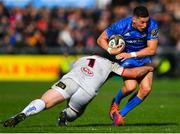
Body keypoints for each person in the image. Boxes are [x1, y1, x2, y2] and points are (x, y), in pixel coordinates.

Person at [2, 55, 153, 127]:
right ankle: (65, 115)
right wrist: (149, 67)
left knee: (45, 101)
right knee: (75, 112)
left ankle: (22, 114)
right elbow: (133, 74)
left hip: (71, 80)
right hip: (87, 91)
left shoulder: (83, 57)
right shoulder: (112, 65)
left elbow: (69, 66)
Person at [97, 6, 158, 126]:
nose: (145, 25)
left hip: (143, 58)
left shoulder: (152, 25)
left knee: (146, 89)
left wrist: (131, 54)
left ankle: (121, 115)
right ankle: (116, 101)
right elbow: (100, 39)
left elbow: (152, 49)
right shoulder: (121, 25)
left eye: (146, 21)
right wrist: (110, 50)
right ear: (134, 19)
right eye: (142, 22)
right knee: (130, 87)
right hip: (127, 60)